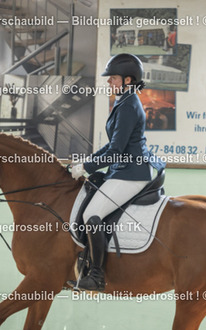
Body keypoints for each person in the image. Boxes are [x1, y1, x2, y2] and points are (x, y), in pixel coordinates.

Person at [71, 53, 165, 292]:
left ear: (128, 80)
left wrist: (87, 168)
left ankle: (96, 275)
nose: (109, 81)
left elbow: (115, 152)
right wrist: (87, 162)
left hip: (132, 173)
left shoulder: (129, 106)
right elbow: (112, 145)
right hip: (122, 169)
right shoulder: (124, 102)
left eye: (113, 78)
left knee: (92, 214)